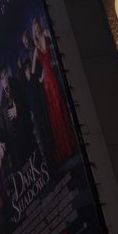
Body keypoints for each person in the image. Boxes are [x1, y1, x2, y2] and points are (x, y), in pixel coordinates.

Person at [31, 16, 75, 164]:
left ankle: (70, 146)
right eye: (35, 31)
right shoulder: (36, 49)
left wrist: (56, 62)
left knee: (60, 107)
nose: (37, 32)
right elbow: (32, 74)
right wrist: (40, 78)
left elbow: (59, 45)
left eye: (38, 29)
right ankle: (64, 150)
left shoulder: (47, 33)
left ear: (40, 26)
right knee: (54, 114)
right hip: (46, 84)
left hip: (54, 78)